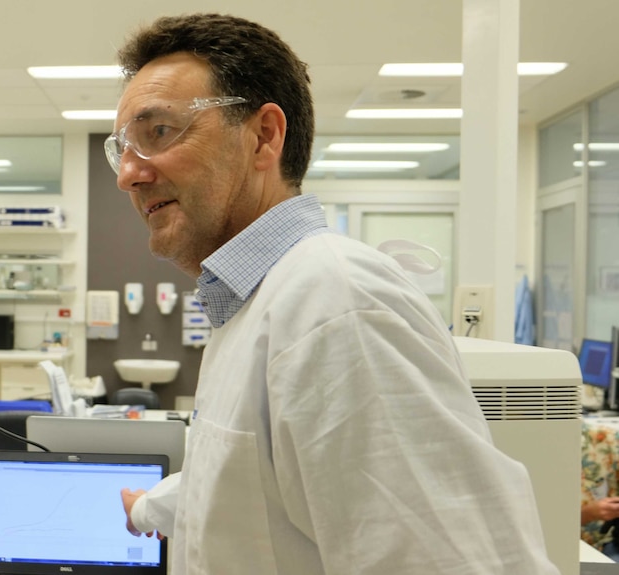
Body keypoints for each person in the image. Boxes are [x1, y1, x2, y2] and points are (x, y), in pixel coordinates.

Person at [108, 13, 559, 575]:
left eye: (158, 133)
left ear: (264, 137)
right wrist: (148, 508)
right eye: (121, 149)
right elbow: (251, 492)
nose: (128, 173)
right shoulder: (256, 305)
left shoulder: (337, 303)